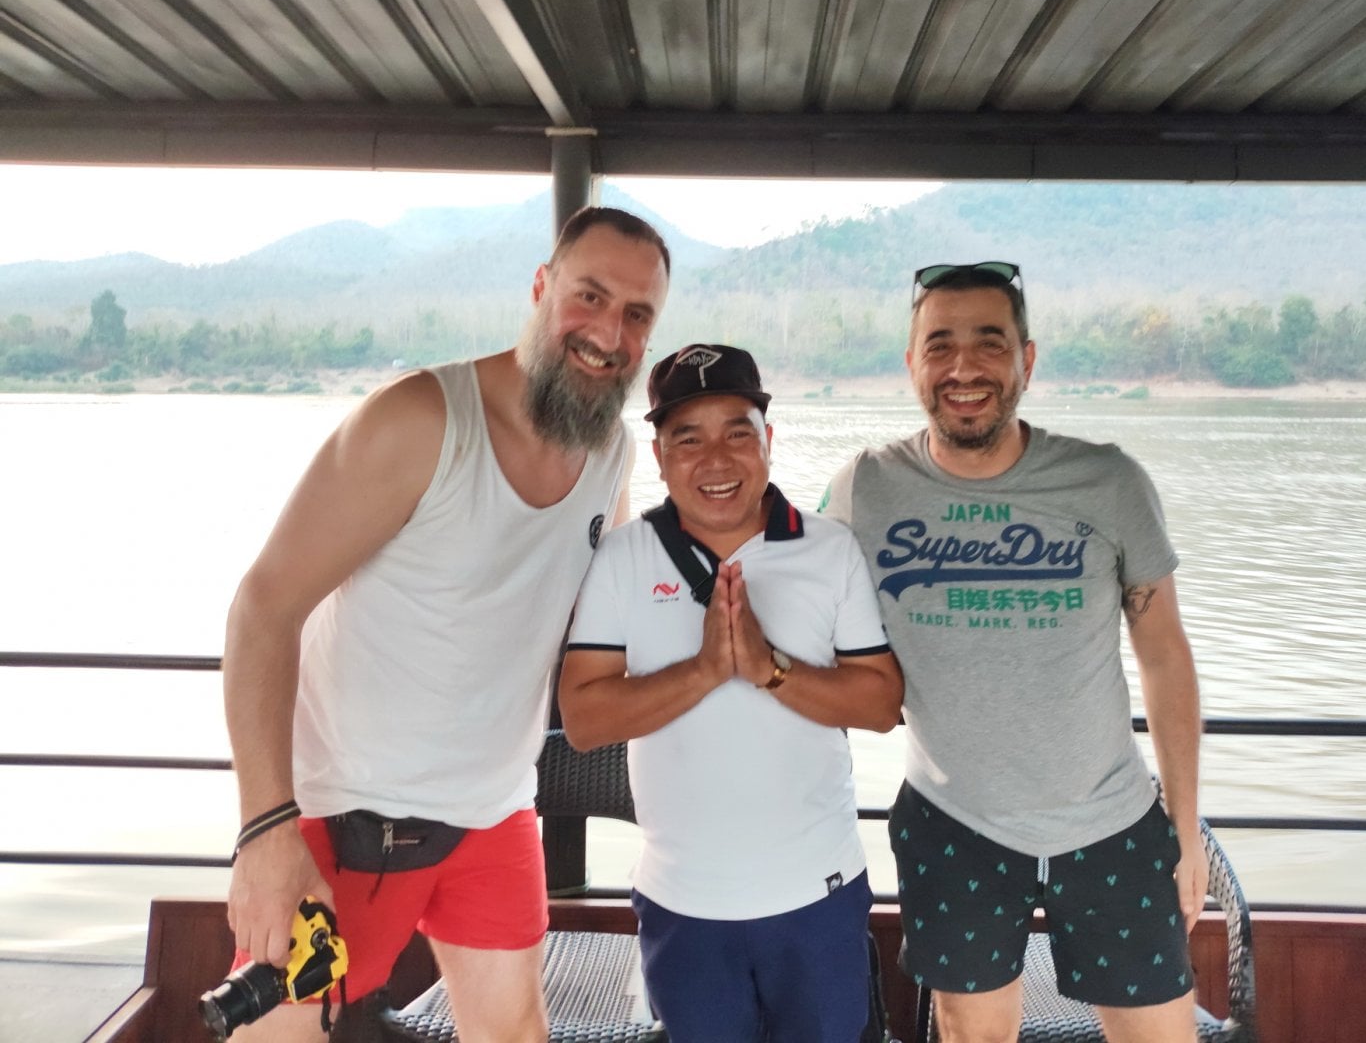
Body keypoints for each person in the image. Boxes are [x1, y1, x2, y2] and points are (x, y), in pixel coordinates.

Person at [222, 206, 671, 1043]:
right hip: (349, 811)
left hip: (495, 810)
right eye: (589, 295)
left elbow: (602, 616)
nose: (610, 333)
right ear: (541, 287)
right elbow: (264, 607)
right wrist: (265, 831)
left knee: (516, 1033)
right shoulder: (419, 420)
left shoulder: (609, 448)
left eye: (637, 314)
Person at [820, 262, 1204, 1043]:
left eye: (988, 343)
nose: (962, 368)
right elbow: (798, 603)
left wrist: (1186, 828)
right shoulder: (866, 485)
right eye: (939, 345)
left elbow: (1164, 655)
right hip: (952, 824)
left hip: (1112, 821)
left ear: (1026, 359)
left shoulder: (1108, 481)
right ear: (911, 364)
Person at [559, 343, 904, 1043]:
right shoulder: (624, 556)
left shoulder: (828, 548)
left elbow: (880, 705)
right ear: (659, 458)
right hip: (682, 904)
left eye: (737, 433)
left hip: (818, 894)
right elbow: (583, 720)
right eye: (688, 438)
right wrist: (705, 670)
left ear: (768, 441)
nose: (715, 460)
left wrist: (770, 668)